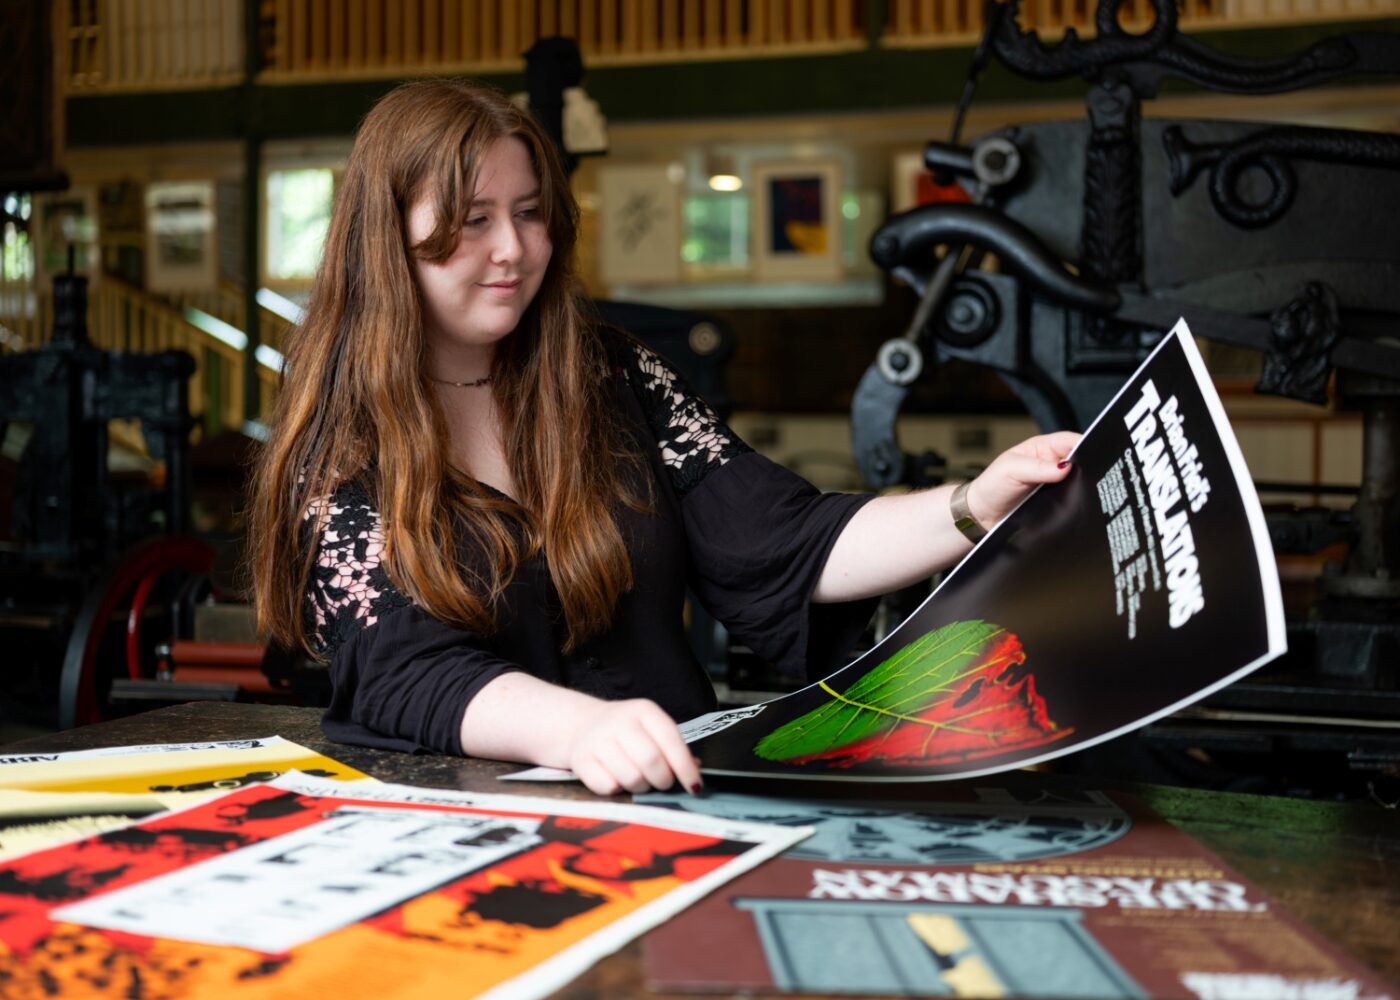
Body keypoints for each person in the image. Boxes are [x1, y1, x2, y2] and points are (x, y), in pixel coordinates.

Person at [248, 79, 1077, 798]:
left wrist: (977, 502)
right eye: (472, 220)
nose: (512, 249)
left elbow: (785, 540)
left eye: (530, 213)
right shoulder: (341, 436)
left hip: (672, 795)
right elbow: (402, 668)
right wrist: (577, 730)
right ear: (388, 241)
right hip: (461, 829)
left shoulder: (611, 376)